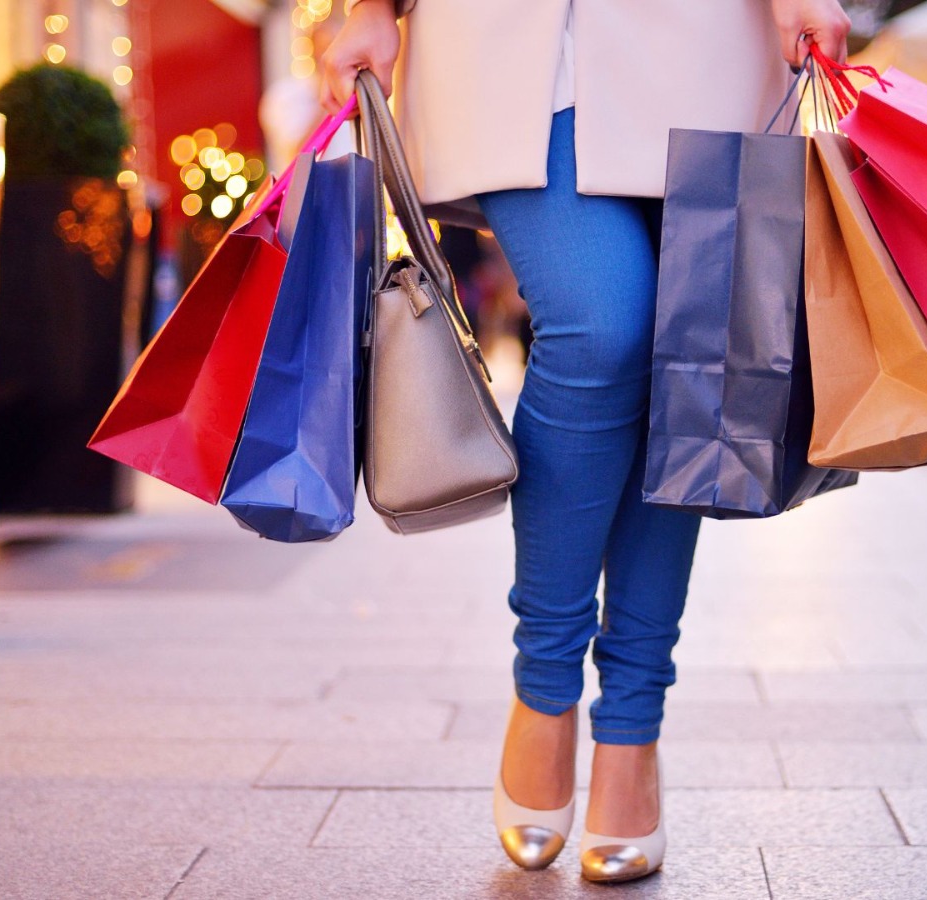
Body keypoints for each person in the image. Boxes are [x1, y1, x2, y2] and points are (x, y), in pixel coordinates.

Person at [322, 0, 851, 884]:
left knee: (687, 349)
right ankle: (545, 683)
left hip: (704, 42)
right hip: (504, 43)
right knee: (604, 323)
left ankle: (633, 726)